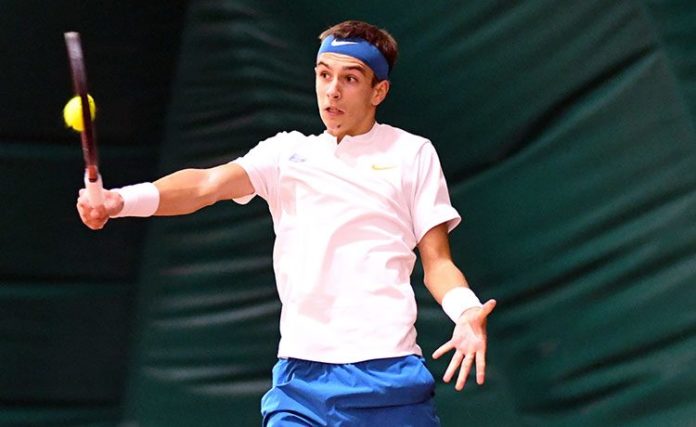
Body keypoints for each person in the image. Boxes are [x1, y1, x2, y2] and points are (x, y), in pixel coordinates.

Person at [77, 20, 496, 427]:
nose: (332, 90)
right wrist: (121, 200)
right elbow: (205, 185)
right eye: (324, 74)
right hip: (301, 382)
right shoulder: (285, 154)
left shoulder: (413, 154)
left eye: (350, 79)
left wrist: (465, 310)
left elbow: (438, 262)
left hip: (388, 376)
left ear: (378, 91)